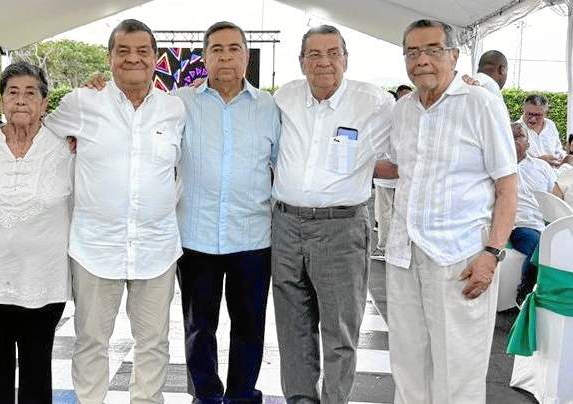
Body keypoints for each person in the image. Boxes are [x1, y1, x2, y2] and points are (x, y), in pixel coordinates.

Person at [45, 19, 185, 404]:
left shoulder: (175, 109)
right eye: (123, 51)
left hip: (156, 248)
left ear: (156, 58)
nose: (133, 59)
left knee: (154, 342)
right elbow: (36, 135)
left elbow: (185, 167)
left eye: (142, 51)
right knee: (91, 341)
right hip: (94, 248)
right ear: (108, 58)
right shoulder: (81, 103)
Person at [386, 19, 518, 403]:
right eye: (412, 52)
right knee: (408, 367)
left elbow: (507, 185)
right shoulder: (404, 110)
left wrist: (492, 254)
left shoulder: (481, 103)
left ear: (454, 56)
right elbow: (400, 167)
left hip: (458, 257)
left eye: (432, 50)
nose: (421, 60)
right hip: (404, 254)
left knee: (457, 373)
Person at [271, 25, 394, 403]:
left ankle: (335, 399)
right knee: (293, 327)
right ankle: (300, 399)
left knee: (340, 328)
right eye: (314, 54)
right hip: (286, 226)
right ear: (301, 61)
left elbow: (404, 154)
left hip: (341, 228)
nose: (323, 61)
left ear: (345, 58)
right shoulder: (284, 97)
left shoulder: (375, 103)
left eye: (332, 53)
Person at [168, 21, 279, 404]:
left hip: (252, 237)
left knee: (249, 327)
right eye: (217, 49)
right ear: (205, 57)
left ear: (247, 56)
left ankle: (242, 395)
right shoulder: (180, 103)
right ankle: (207, 396)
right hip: (196, 237)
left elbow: (283, 164)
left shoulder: (270, 108)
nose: (226, 56)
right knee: (199, 327)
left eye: (234, 48)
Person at [0, 62, 73, 404]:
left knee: (38, 372)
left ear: (45, 102)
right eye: (13, 92)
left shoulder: (65, 146)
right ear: (1, 101)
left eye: (30, 93)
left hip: (43, 278)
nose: (21, 100)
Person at [510, 122, 564, 305]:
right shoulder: (499, 169)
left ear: (529, 142)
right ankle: (524, 293)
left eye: (519, 136)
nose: (515, 140)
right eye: (511, 136)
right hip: (519, 226)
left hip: (545, 224)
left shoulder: (542, 167)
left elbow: (556, 196)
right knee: (541, 245)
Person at [519, 94, 566, 168]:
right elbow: (513, 161)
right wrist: (540, 161)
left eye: (538, 115)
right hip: (529, 176)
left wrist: (561, 158)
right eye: (529, 114)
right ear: (523, 110)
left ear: (545, 113)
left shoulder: (550, 125)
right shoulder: (516, 129)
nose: (533, 119)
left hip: (554, 173)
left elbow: (558, 149)